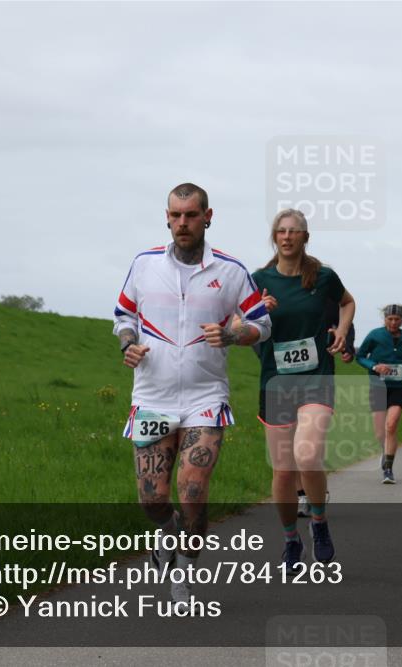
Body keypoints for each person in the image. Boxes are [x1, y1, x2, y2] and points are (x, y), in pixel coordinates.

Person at [113, 183, 271, 608]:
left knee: (194, 490)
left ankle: (182, 576)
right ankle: (166, 534)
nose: (183, 223)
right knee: (153, 499)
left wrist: (234, 333)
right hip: (152, 395)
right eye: (176, 215)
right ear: (167, 217)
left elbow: (261, 324)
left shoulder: (232, 271)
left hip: (205, 396)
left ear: (208, 217)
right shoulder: (144, 265)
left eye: (191, 215)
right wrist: (128, 343)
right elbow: (123, 315)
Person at [253, 209, 355, 570]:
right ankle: (291, 542)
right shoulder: (259, 280)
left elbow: (348, 302)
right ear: (274, 237)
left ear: (305, 237)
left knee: (307, 455)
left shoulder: (323, 277)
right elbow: (238, 324)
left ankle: (319, 523)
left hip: (316, 380)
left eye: (294, 231)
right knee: (282, 471)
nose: (287, 236)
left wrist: (342, 331)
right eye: (280, 231)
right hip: (276, 384)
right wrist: (256, 313)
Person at [296, 299, 353, 517]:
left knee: (309, 448)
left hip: (318, 378)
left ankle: (315, 493)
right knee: (290, 445)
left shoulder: (330, 303)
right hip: (283, 380)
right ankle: (302, 495)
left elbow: (347, 328)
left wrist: (345, 345)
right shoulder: (283, 297)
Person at [356, 304, 402, 484]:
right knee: (379, 433)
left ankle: (388, 470)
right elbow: (360, 356)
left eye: (397, 319)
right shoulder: (375, 335)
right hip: (378, 386)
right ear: (384, 319)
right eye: (390, 319)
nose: (393, 322)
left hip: (399, 387)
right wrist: (374, 366)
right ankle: (385, 451)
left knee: (391, 426)